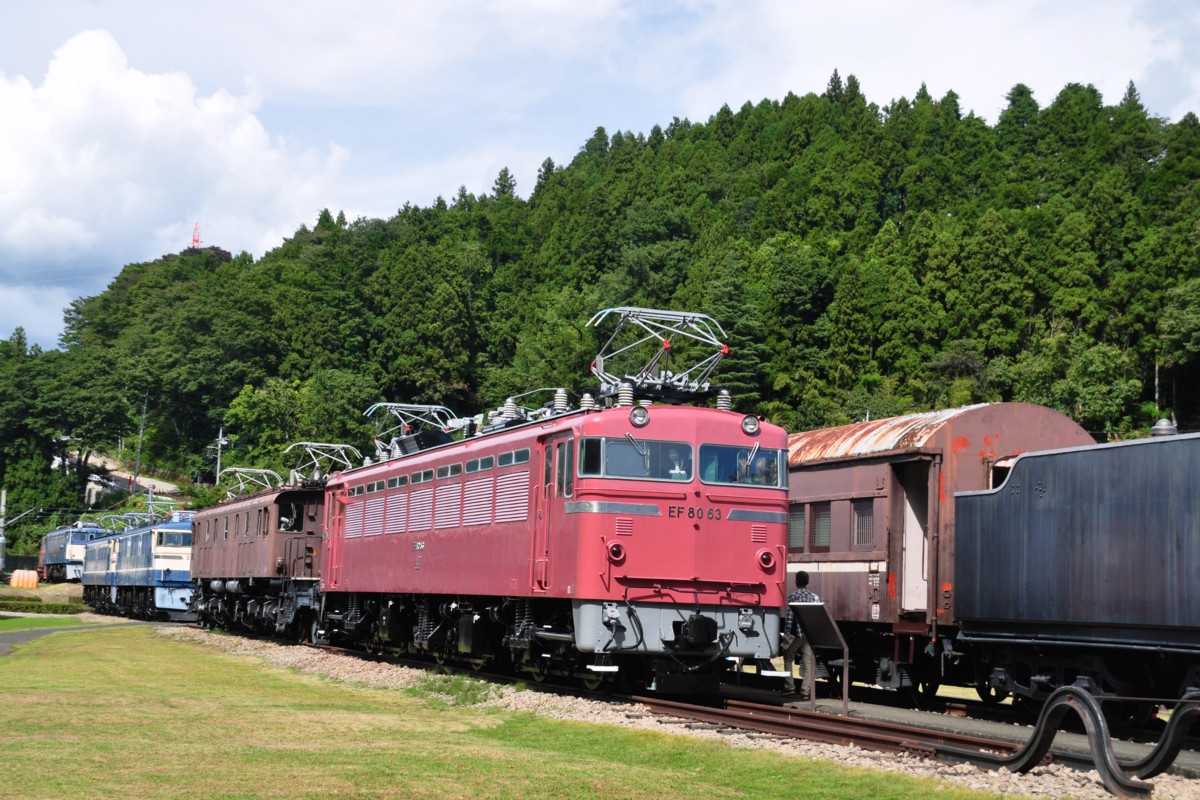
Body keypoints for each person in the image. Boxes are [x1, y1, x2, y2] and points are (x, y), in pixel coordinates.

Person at [782, 570, 819, 698]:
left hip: (794, 634)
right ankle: (805, 692)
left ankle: (789, 687)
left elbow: (789, 618)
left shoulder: (793, 596)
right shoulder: (814, 597)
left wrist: (786, 634)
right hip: (808, 635)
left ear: (796, 582)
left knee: (787, 658)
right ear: (807, 582)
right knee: (808, 663)